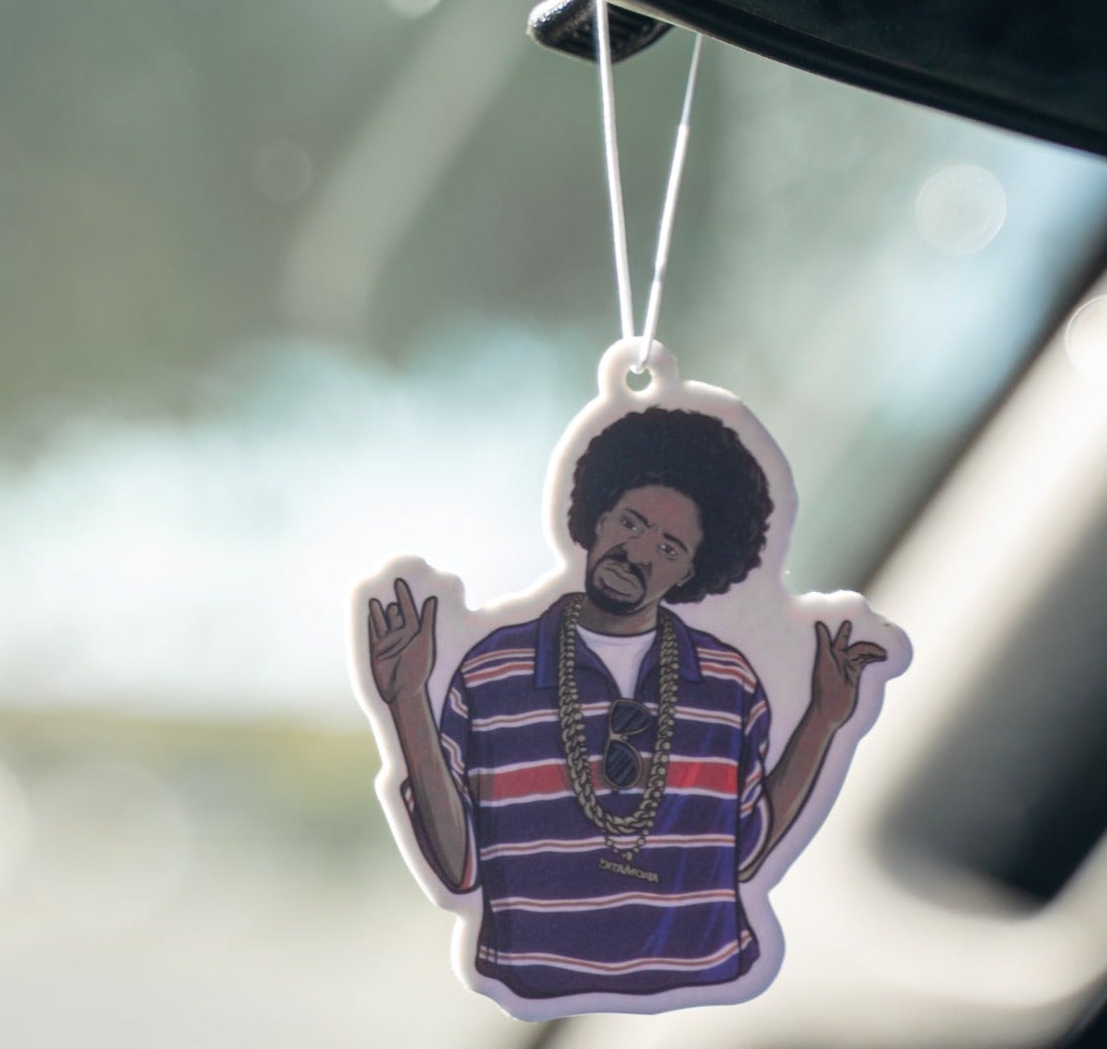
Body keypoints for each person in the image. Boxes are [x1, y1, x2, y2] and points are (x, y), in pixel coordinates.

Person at [367, 408, 886, 1002]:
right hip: (533, 978)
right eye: (631, 524)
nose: (638, 554)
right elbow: (459, 866)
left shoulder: (729, 682)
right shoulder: (492, 672)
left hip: (708, 978)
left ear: (692, 570)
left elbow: (744, 853)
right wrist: (406, 702)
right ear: (597, 519)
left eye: (668, 546)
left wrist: (823, 719)